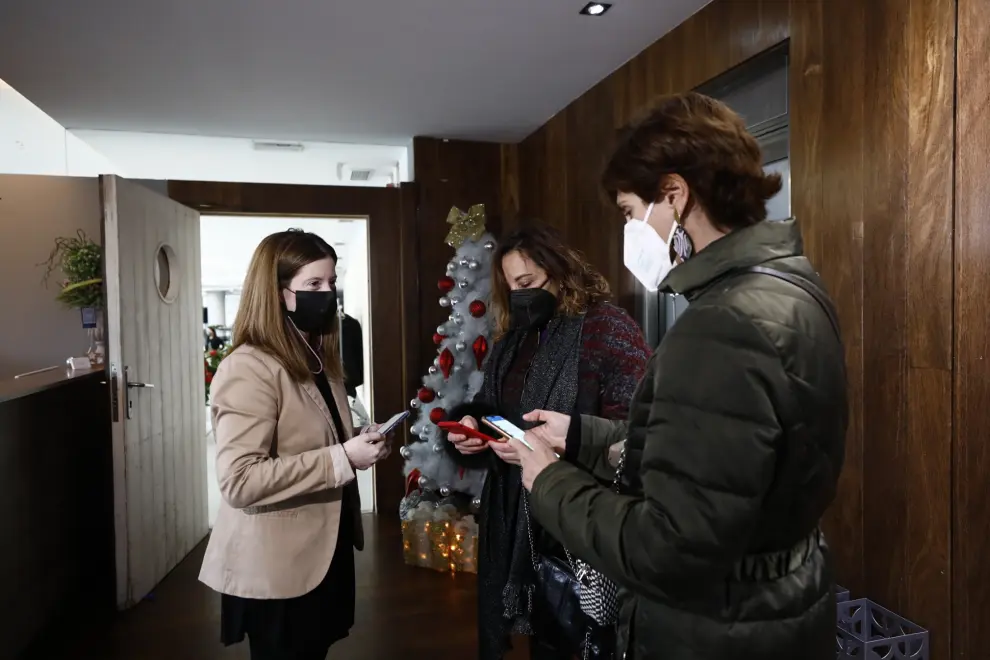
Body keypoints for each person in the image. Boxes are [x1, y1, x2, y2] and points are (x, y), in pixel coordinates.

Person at [511, 92, 848, 660]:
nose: (627, 232)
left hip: (712, 631)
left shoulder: (723, 326)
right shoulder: (792, 287)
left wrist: (550, 482)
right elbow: (723, 460)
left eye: (627, 213)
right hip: (774, 609)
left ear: (673, 194)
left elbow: (667, 548)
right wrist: (584, 438)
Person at [445, 224, 651, 660]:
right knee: (544, 633)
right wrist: (474, 429)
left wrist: (562, 442)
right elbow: (490, 407)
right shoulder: (513, 339)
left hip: (578, 512)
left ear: (561, 272)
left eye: (528, 283)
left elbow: (636, 429)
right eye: (510, 286)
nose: (519, 295)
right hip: (515, 507)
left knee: (578, 634)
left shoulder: (607, 328)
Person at [199, 229, 393, 660]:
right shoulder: (248, 367)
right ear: (277, 292)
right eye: (313, 285)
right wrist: (342, 457)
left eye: (331, 282)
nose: (328, 294)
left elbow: (317, 440)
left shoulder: (320, 359)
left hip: (324, 551)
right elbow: (240, 480)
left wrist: (357, 444)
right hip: (279, 566)